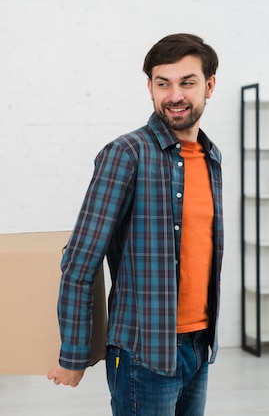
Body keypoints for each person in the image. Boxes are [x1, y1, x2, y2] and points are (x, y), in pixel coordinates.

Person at [47, 33, 223, 416]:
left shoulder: (211, 158)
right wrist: (73, 353)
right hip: (145, 353)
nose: (174, 95)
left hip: (198, 344)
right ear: (150, 88)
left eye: (187, 82)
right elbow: (80, 261)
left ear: (209, 85)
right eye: (163, 83)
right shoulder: (126, 154)